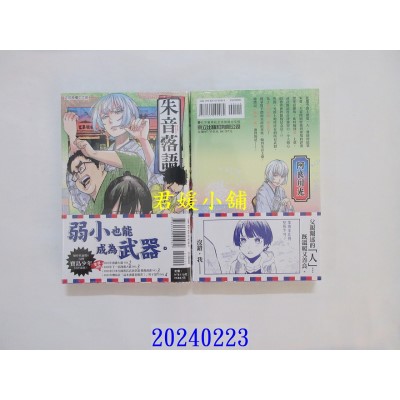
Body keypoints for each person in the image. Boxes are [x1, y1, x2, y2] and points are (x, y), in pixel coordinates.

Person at [67, 139, 147, 214]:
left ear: (101, 165)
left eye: (81, 168)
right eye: (75, 175)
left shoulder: (120, 181)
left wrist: (94, 154)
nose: (79, 176)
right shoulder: (90, 209)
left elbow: (136, 162)